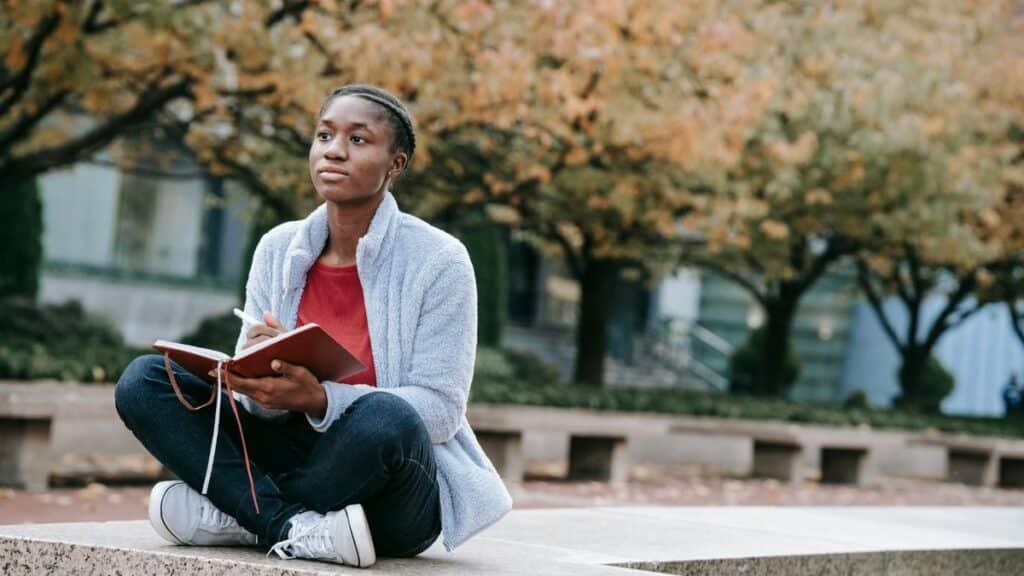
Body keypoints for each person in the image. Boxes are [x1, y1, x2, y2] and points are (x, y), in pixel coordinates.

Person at [114, 85, 512, 568]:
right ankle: (288, 525)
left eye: (358, 140)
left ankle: (243, 515)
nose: (334, 150)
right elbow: (248, 405)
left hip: (389, 489)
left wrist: (320, 399)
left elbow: (441, 410)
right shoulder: (278, 248)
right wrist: (250, 380)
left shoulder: (440, 261)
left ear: (396, 164)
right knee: (147, 379)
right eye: (324, 135)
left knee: (388, 416)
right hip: (289, 450)